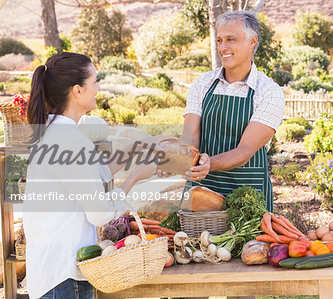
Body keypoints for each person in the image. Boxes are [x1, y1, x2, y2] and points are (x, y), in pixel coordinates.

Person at [23, 52, 159, 299]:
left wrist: (131, 150)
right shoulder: (72, 140)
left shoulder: (52, 133)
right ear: (77, 91)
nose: (98, 88)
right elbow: (100, 214)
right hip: (64, 279)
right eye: (95, 81)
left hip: (49, 272)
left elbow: (90, 175)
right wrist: (134, 178)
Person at [182, 11, 285, 212]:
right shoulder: (203, 84)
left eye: (231, 40)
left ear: (252, 42)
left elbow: (245, 151)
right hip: (201, 191)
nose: (223, 48)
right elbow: (190, 135)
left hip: (248, 199)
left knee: (249, 245)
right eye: (219, 40)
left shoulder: (268, 92)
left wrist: (208, 163)